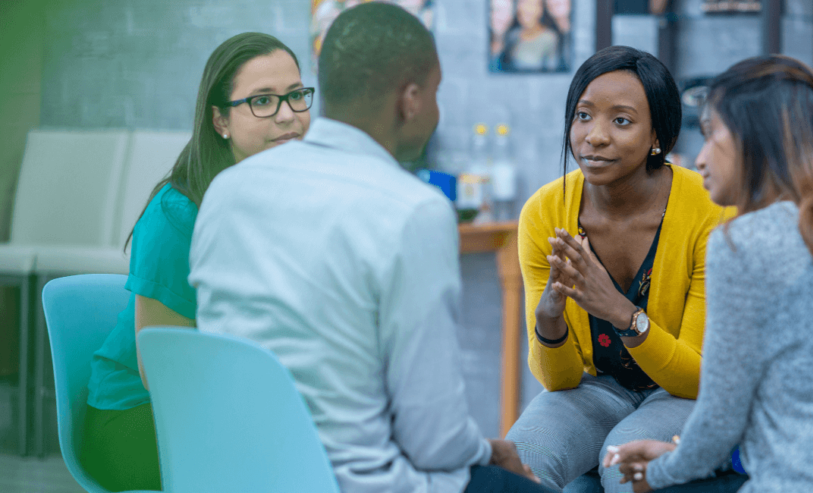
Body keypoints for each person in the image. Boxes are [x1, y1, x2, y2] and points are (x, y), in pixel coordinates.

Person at [188, 4, 554, 493]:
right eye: (436, 94)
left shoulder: (227, 191)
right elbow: (434, 442)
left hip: (235, 475)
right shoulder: (412, 211)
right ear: (410, 100)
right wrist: (489, 448)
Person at [604, 55, 813, 493]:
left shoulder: (745, 242)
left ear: (756, 141)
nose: (700, 158)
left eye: (714, 136)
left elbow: (721, 414)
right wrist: (680, 456)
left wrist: (658, 475)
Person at [81, 32, 313, 491]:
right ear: (220, 120)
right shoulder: (178, 215)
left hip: (234, 405)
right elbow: (163, 375)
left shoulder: (285, 198)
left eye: (296, 95)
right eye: (263, 100)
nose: (288, 114)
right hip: (138, 421)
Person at [506, 45, 727, 492]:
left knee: (623, 461)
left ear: (657, 137)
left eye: (621, 121)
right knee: (519, 464)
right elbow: (560, 380)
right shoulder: (544, 212)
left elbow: (699, 376)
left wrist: (621, 313)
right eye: (583, 116)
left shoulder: (709, 210)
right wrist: (548, 320)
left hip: (682, 392)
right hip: (596, 387)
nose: (595, 136)